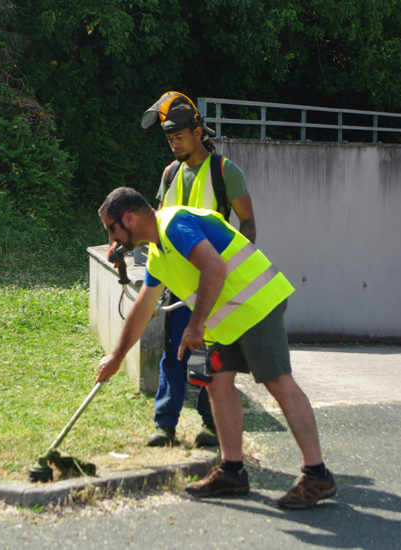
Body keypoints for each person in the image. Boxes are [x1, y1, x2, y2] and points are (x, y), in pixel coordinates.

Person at [96, 187, 337, 509]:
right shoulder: (158, 251)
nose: (112, 237)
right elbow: (142, 308)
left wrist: (195, 326)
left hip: (255, 305)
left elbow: (214, 268)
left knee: (278, 382)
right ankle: (232, 470)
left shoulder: (174, 225)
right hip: (229, 321)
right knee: (218, 384)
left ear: (128, 218)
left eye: (111, 228)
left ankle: (317, 473)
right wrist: (116, 356)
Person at [141, 91, 256, 448]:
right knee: (173, 353)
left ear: (197, 131)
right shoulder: (170, 173)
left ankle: (211, 424)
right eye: (169, 138)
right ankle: (165, 425)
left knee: (213, 358)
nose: (173, 143)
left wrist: (239, 270)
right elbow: (158, 221)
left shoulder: (225, 172)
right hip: (179, 283)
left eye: (178, 136)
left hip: (215, 282)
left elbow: (248, 223)